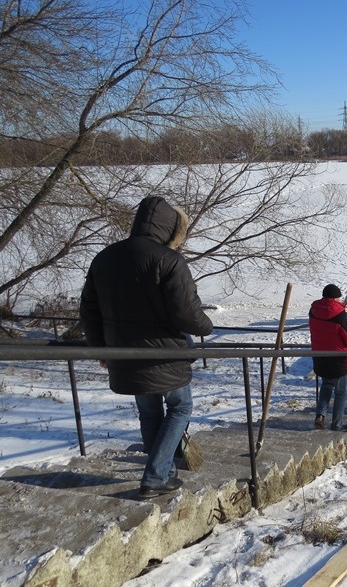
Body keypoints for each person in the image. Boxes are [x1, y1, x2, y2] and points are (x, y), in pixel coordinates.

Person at [79, 196, 213, 499]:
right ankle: (155, 476)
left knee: (149, 413)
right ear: (169, 227)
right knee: (181, 407)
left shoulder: (105, 257)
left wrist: (101, 347)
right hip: (166, 354)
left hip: (125, 355)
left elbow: (88, 308)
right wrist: (207, 327)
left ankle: (162, 471)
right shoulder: (169, 260)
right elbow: (187, 314)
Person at [309, 284, 347, 431]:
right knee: (341, 392)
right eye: (339, 297)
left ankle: (320, 415)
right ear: (335, 298)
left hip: (319, 357)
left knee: (326, 385)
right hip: (338, 359)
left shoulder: (313, 310)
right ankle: (337, 424)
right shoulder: (340, 314)